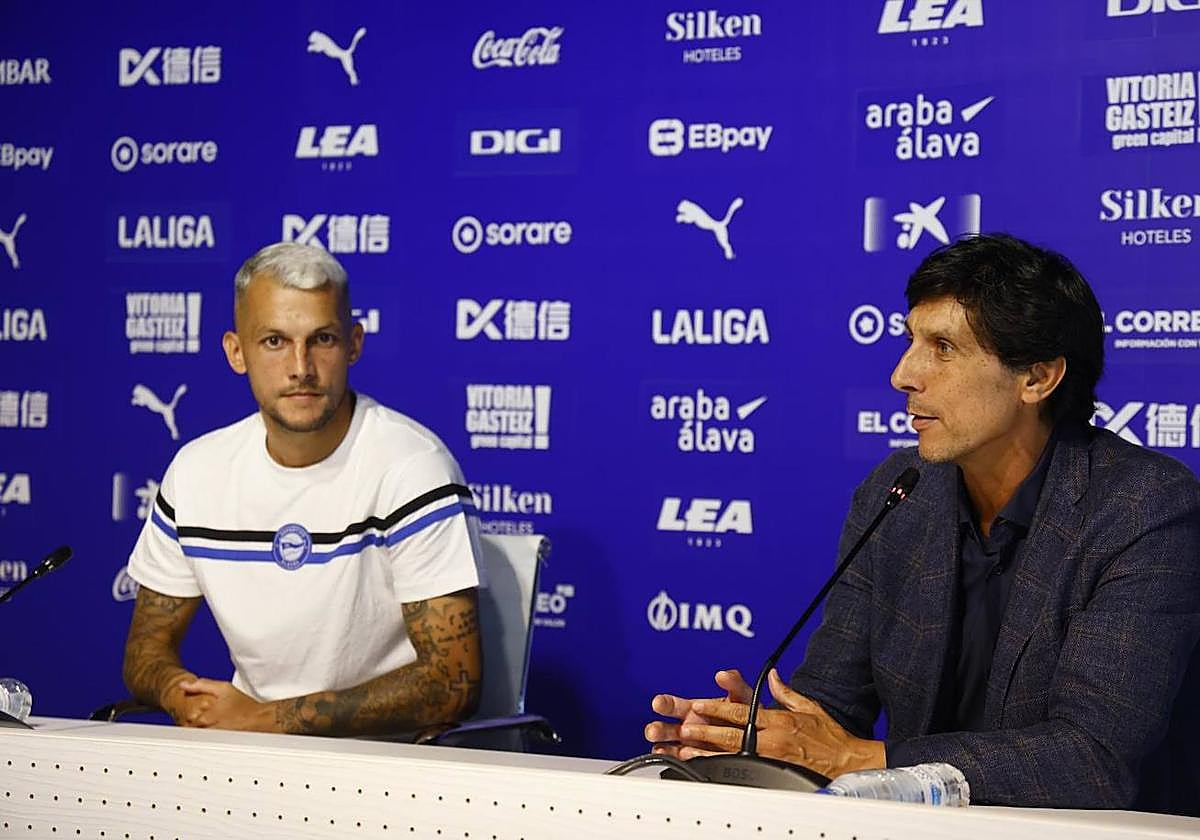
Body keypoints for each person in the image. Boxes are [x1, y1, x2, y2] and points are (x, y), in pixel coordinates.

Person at [645, 234, 1200, 812]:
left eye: (942, 348)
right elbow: (834, 703)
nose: (903, 375)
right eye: (911, 340)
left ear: (1036, 378)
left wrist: (862, 759)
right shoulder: (902, 489)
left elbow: (1092, 759)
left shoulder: (1143, 507)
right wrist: (760, 739)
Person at [122, 242, 484, 737]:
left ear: (354, 344)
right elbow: (145, 649)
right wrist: (182, 695)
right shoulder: (196, 472)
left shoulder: (412, 466)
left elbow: (452, 682)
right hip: (248, 756)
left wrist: (264, 719)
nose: (301, 368)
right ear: (236, 352)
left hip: (391, 765)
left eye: (323, 339)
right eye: (274, 341)